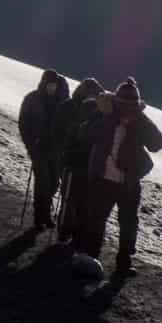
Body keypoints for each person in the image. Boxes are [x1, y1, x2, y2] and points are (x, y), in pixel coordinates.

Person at [75, 78, 162, 277]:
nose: (127, 109)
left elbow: (158, 143)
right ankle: (92, 259)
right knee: (98, 220)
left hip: (128, 182)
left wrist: (139, 119)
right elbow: (84, 133)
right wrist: (108, 117)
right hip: (106, 179)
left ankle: (123, 263)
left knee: (126, 223)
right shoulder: (105, 115)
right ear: (116, 102)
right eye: (124, 105)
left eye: (131, 105)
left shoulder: (138, 121)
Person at [49, 78, 104, 241]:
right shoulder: (85, 110)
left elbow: (58, 131)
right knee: (73, 198)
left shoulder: (71, 107)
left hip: (74, 160)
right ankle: (69, 231)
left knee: (71, 197)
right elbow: (59, 131)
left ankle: (68, 231)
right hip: (75, 160)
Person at [18, 69, 70, 230]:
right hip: (38, 148)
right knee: (43, 182)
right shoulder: (32, 99)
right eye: (49, 85)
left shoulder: (61, 102)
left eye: (54, 85)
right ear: (44, 83)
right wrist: (30, 144)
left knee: (54, 183)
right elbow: (24, 123)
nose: (51, 88)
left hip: (55, 150)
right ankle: (39, 218)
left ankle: (45, 213)